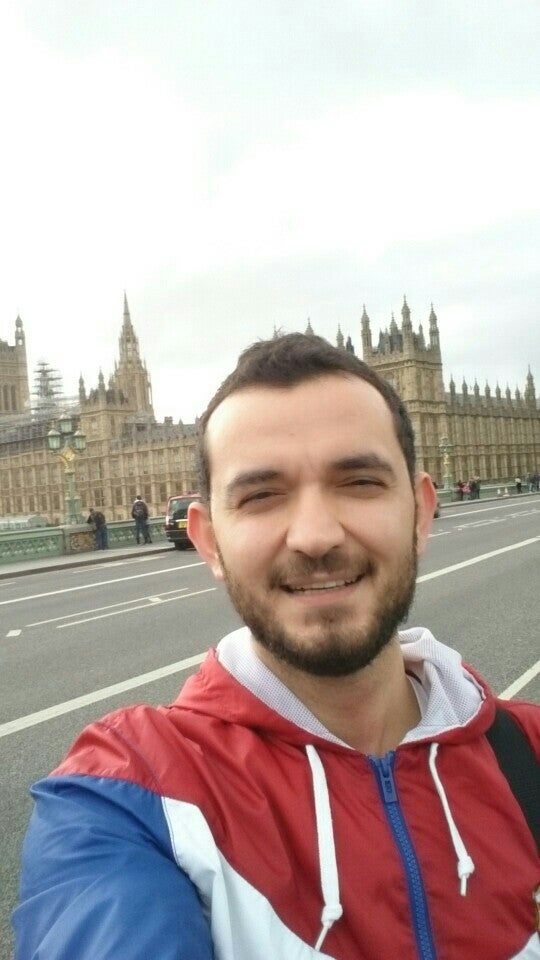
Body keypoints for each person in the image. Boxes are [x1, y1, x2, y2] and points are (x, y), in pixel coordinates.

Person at [14, 334, 539, 959]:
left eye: (360, 482)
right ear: (207, 540)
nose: (315, 535)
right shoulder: (125, 796)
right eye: (262, 495)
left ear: (422, 511)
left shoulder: (526, 753)